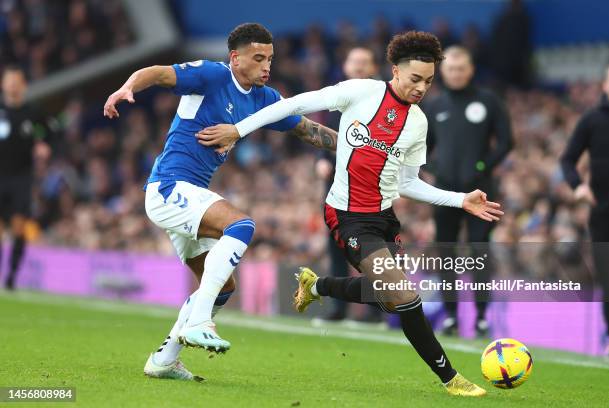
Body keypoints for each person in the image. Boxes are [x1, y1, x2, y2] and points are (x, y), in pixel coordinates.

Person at [197, 31, 503, 396]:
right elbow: (294, 105)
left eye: (429, 81)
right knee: (405, 297)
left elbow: (408, 183)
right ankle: (451, 378)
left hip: (384, 218)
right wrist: (239, 129)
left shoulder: (418, 123)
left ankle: (318, 285)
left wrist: (460, 199)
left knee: (387, 298)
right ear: (395, 71)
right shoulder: (362, 92)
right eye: (415, 79)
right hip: (346, 215)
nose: (421, 88)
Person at [103, 23, 338, 381]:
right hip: (169, 187)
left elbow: (307, 130)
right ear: (235, 58)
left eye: (270, 59)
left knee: (223, 287)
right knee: (241, 225)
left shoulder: (264, 99)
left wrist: (361, 145)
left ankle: (164, 359)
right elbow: (158, 73)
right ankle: (199, 321)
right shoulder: (212, 75)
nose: (266, 66)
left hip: (189, 198)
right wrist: (127, 87)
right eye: (258, 58)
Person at [423, 46, 512, 337]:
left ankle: (482, 317)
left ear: (471, 70)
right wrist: (434, 170)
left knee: (478, 249)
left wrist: (483, 166)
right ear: (443, 72)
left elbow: (506, 142)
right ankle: (450, 316)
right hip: (445, 192)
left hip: (480, 193)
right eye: (451, 69)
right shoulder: (435, 105)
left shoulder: (488, 101)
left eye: (461, 68)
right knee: (446, 250)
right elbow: (421, 145)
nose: (456, 74)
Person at [315, 46, 384, 324]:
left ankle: (375, 308)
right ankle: (339, 308)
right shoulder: (336, 99)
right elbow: (325, 136)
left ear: (373, 68)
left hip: (367, 186)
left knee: (369, 246)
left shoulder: (379, 101)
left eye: (364, 62)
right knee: (336, 245)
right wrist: (321, 159)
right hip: (336, 186)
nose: (357, 66)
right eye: (353, 61)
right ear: (345, 66)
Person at [560, 61, 609, 361]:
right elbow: (568, 159)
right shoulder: (592, 120)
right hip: (603, 213)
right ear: (605, 85)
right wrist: (578, 185)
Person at [0, 66, 49, 290]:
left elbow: (48, 132)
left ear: (23, 85)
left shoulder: (33, 112)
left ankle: (11, 276)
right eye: (9, 81)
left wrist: (43, 144)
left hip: (21, 176)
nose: (12, 85)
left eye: (16, 81)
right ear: (3, 84)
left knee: (19, 226)